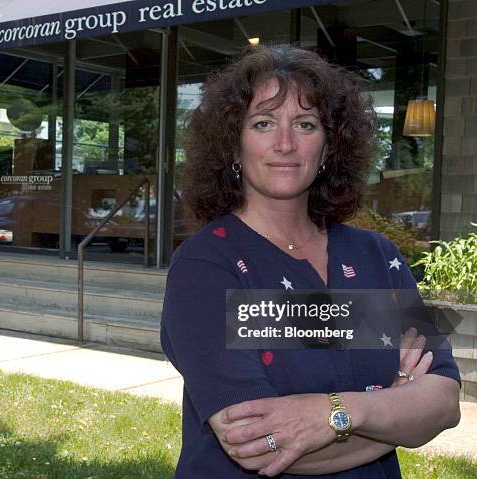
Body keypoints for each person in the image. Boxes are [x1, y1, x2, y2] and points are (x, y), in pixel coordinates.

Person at [160, 45, 461, 478]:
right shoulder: (208, 265)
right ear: (233, 144)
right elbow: (258, 447)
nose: (285, 143)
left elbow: (444, 402)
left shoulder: (376, 257)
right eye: (263, 123)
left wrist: (336, 412)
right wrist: (395, 411)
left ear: (328, 148)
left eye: (305, 124)